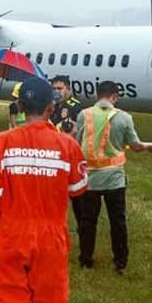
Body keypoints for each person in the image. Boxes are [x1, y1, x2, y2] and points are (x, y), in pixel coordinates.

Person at [0, 77, 87, 303]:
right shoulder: (67, 145)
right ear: (52, 108)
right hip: (51, 239)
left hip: (11, 235)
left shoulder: (2, 143)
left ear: (21, 106)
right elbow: (78, 188)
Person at [76, 80, 152, 274]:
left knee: (87, 221)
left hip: (90, 179)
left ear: (98, 95)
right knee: (117, 221)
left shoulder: (83, 115)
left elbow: (79, 143)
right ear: (115, 97)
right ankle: (120, 261)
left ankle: (86, 259)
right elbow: (135, 146)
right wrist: (149, 147)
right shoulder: (124, 118)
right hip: (114, 179)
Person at [50, 75, 85, 233]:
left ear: (68, 89)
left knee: (76, 195)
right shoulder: (52, 105)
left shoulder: (75, 106)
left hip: (70, 154)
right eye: (54, 88)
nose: (57, 91)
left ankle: (82, 225)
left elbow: (80, 130)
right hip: (54, 154)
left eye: (60, 88)